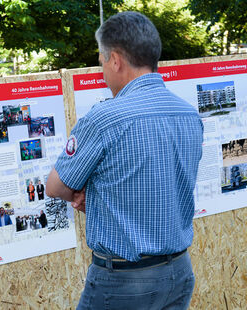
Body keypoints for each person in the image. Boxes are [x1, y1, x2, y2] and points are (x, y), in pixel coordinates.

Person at [46, 12, 203, 310]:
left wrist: (86, 195)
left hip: (124, 282)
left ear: (115, 60)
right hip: (179, 272)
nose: (103, 70)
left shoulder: (105, 118)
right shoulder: (188, 113)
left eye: (102, 60)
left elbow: (56, 186)